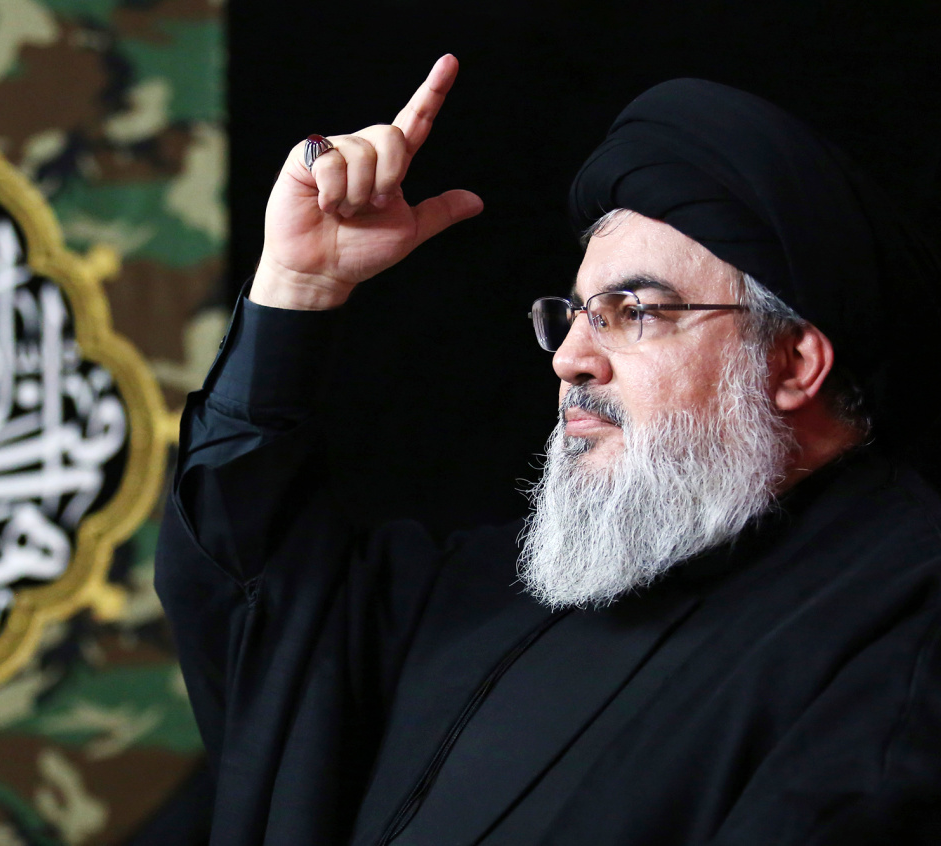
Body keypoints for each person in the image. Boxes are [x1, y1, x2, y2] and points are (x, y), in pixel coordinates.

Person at [155, 55, 941, 844]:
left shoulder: (900, 629)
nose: (570, 358)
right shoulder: (504, 588)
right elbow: (255, 608)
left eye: (632, 312)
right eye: (575, 314)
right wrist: (299, 288)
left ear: (793, 363)